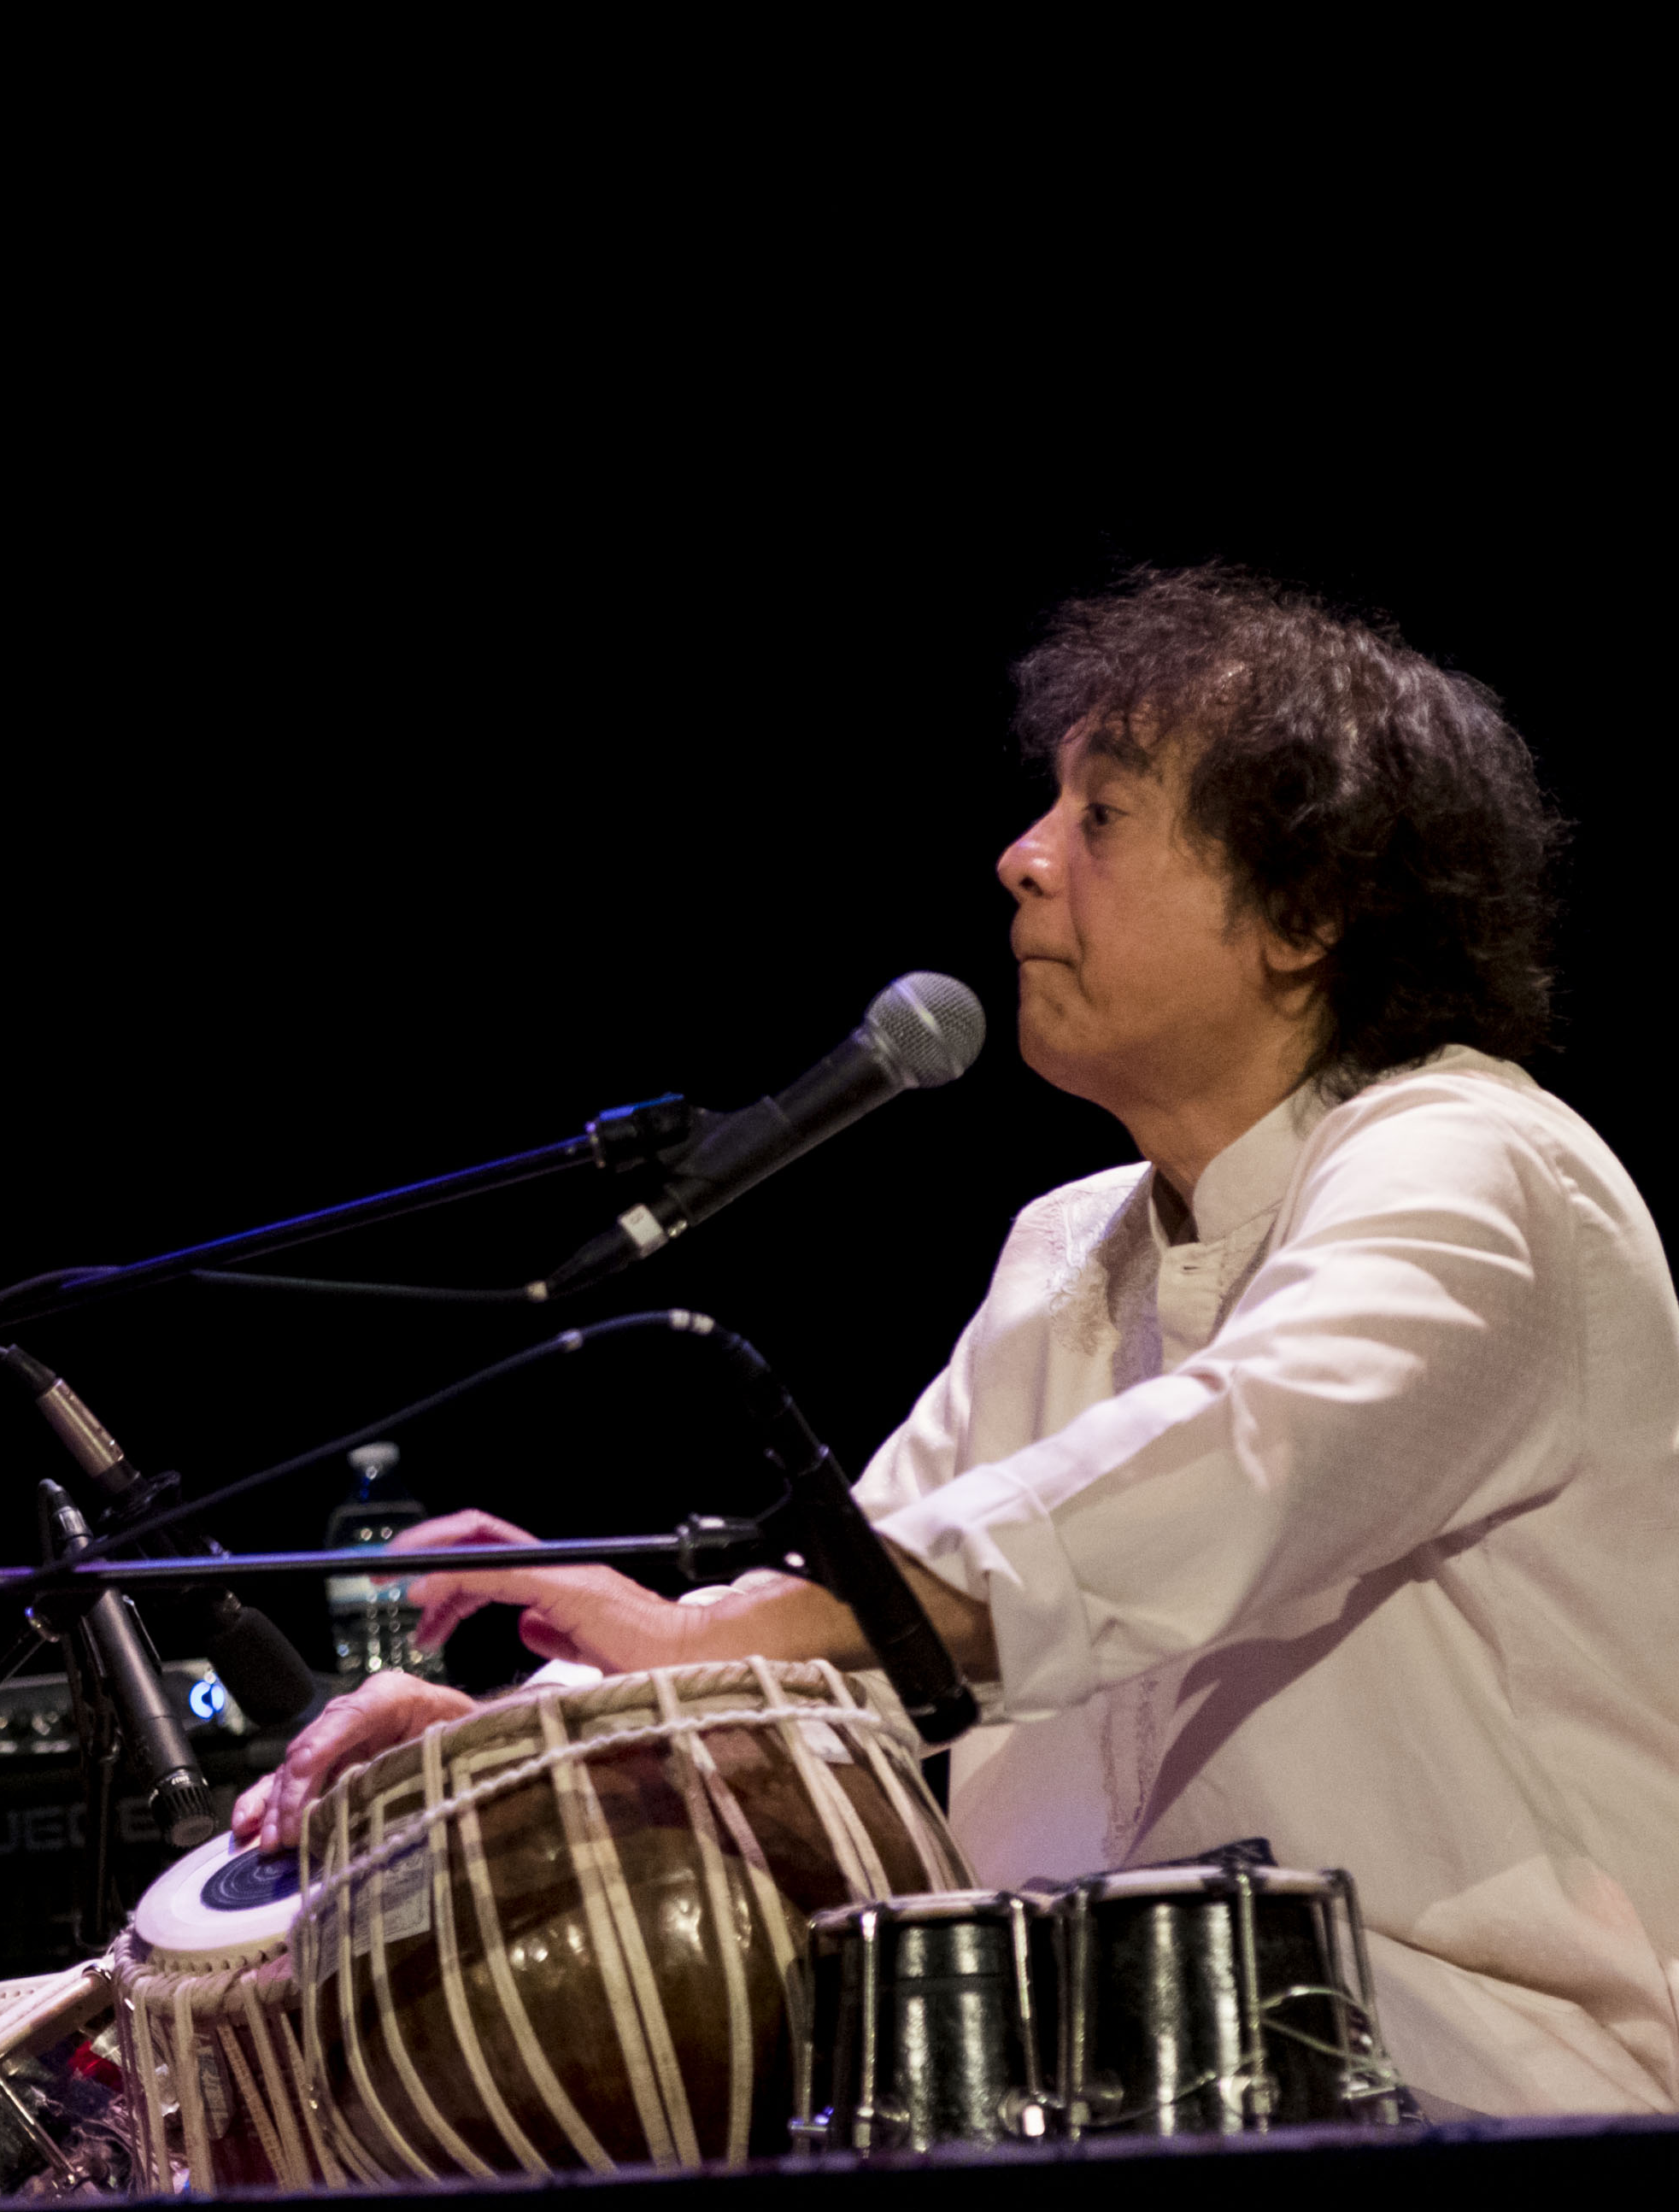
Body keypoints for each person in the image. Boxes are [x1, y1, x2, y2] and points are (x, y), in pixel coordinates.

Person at [235, 566, 1676, 2117]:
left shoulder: (1473, 1162)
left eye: (1104, 817)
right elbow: (848, 1631)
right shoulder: (1070, 1253)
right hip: (1082, 2108)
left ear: (1308, 910)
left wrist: (714, 1645)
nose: (1023, 858)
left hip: (1486, 2104)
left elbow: (1238, 1460)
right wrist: (519, 1745)